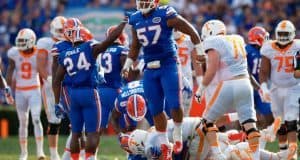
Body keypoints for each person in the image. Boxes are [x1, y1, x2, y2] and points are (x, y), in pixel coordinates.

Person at [122, 1, 203, 158]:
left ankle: (178, 133)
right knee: (155, 108)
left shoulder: (165, 13)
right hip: (150, 69)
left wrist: (199, 49)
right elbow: (134, 47)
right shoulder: (136, 19)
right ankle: (165, 143)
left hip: (168, 64)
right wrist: (127, 65)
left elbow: (191, 30)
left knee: (175, 103)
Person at [52, 18, 127, 160]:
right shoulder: (89, 47)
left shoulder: (65, 54)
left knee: (75, 133)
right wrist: (123, 24)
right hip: (89, 92)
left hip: (73, 94)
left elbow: (56, 80)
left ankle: (74, 158)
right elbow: (109, 40)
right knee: (92, 132)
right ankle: (89, 158)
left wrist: (57, 102)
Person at [195, 19, 260, 159]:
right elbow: (230, 61)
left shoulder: (213, 42)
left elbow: (212, 70)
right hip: (245, 83)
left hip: (228, 85)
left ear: (209, 32)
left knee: (207, 122)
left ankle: (218, 155)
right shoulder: (238, 39)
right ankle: (256, 157)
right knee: (249, 125)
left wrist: (200, 89)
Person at [118, 117, 287, 160]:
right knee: (226, 142)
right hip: (198, 129)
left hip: (195, 135)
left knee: (229, 152)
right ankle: (265, 137)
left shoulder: (151, 146)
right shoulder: (152, 133)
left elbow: (167, 152)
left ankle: (266, 141)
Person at [259, 20, 299, 159]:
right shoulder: (268, 47)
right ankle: (284, 153)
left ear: (292, 34)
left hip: (294, 87)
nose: (282, 37)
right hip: (276, 88)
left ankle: (293, 153)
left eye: (285, 34)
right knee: (280, 122)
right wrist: (264, 87)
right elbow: (263, 70)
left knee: (291, 119)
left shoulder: (298, 46)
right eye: (280, 34)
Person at [6, 28, 45, 160]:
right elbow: (10, 71)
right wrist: (8, 90)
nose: (21, 44)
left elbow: (43, 70)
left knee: (36, 118)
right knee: (23, 122)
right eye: (20, 41)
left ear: (32, 41)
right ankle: (24, 153)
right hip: (20, 91)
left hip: (34, 89)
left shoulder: (38, 53)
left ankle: (40, 151)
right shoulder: (14, 53)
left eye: (24, 41)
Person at [36, 16, 66, 160]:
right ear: (53, 29)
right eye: (61, 29)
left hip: (68, 84)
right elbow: (40, 64)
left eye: (65, 29)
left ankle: (74, 151)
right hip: (50, 85)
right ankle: (54, 154)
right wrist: (48, 79)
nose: (63, 32)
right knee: (54, 121)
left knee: (77, 119)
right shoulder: (45, 42)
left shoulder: (71, 41)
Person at [97, 25, 129, 133]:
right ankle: (128, 149)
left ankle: (89, 150)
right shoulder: (122, 50)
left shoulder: (99, 51)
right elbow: (126, 72)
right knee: (125, 125)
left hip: (99, 91)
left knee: (98, 128)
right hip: (116, 90)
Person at [246, 26, 274, 129]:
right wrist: (259, 88)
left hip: (261, 86)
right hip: (248, 88)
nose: (266, 40)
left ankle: (265, 136)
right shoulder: (247, 50)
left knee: (269, 114)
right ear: (257, 39)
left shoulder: (266, 51)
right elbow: (246, 72)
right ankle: (240, 138)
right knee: (247, 118)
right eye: (263, 38)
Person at [173, 30, 202, 116]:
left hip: (186, 79)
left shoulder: (188, 39)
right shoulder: (165, 38)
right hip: (171, 77)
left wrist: (200, 83)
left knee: (185, 112)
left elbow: (196, 62)